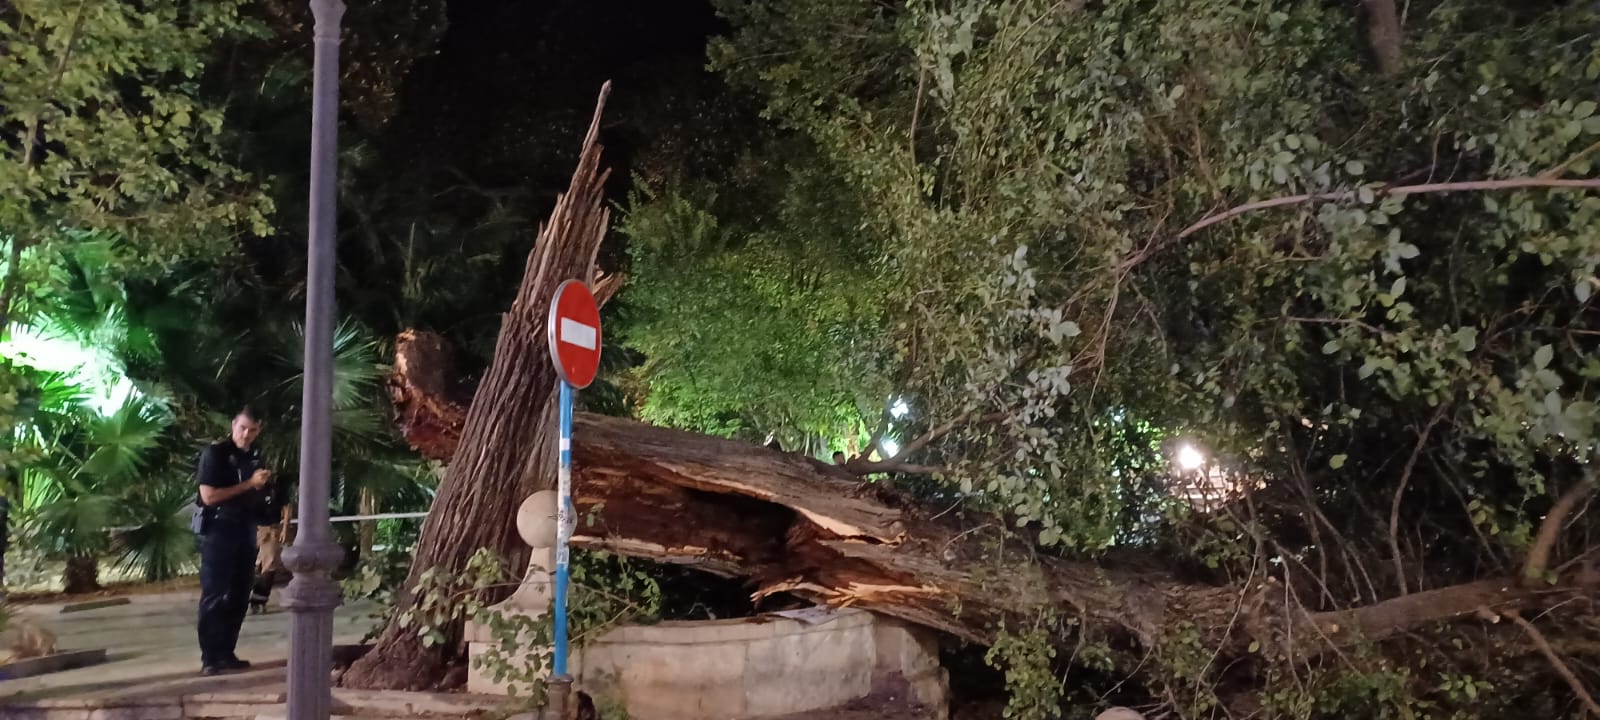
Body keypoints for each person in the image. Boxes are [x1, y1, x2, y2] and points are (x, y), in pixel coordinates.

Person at [192, 407, 276, 676]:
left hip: (245, 529)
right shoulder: (216, 454)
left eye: (252, 430)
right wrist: (250, 484)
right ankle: (210, 657)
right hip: (219, 529)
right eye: (242, 428)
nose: (246, 434)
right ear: (233, 425)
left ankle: (227, 652)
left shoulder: (255, 456)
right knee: (215, 593)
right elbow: (209, 496)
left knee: (240, 594)